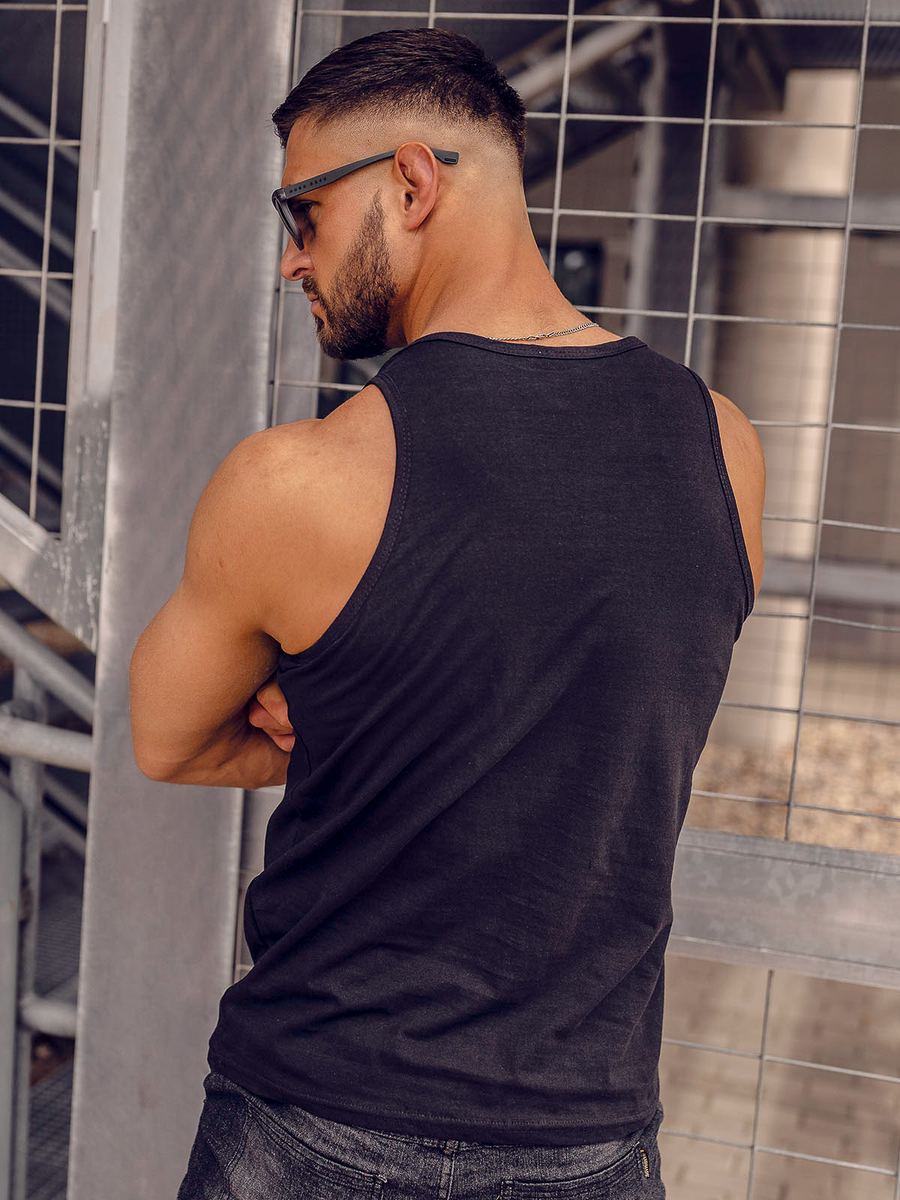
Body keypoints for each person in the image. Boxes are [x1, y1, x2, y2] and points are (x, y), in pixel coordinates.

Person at [129, 25, 765, 1200]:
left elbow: (168, 739)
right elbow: (619, 723)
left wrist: (348, 718)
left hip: (310, 1118)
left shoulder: (296, 480)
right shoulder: (721, 447)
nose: (292, 261)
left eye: (304, 214)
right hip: (583, 1135)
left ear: (413, 183)